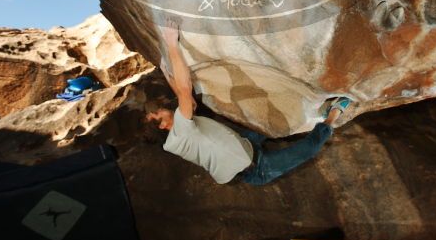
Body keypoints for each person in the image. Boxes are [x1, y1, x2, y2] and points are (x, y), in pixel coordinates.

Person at [146, 19, 351, 186]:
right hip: (256, 168)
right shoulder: (179, 134)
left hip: (243, 142)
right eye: (158, 114)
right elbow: (183, 91)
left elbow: (188, 99)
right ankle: (333, 114)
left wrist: (167, 73)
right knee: (309, 148)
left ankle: (310, 109)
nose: (161, 108)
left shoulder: (179, 130)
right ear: (163, 125)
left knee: (278, 120)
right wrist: (172, 43)